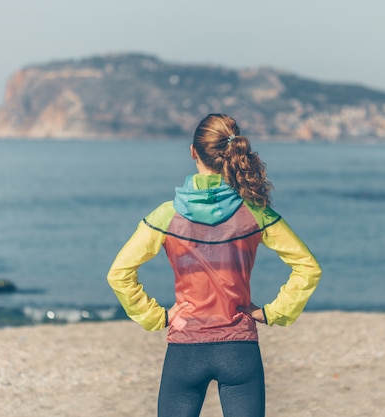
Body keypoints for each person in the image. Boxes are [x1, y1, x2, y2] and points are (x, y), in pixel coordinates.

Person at [107, 113, 322, 417]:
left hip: (185, 348)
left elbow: (119, 274)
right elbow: (308, 267)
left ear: (193, 152)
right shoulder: (255, 212)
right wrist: (275, 312)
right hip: (239, 351)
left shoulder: (166, 216)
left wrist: (156, 317)